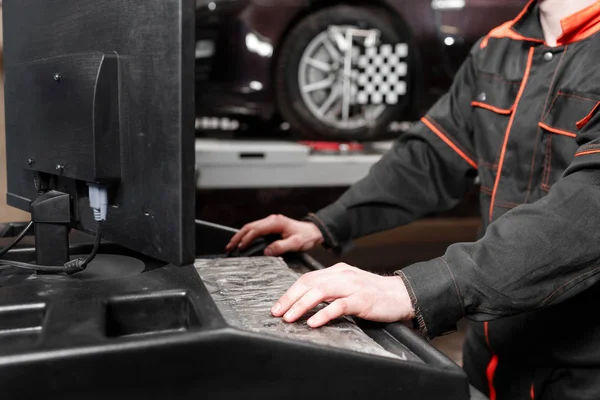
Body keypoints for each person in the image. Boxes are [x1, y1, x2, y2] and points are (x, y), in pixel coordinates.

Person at [227, 0, 600, 398]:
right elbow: (431, 155)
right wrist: (327, 222)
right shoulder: (499, 46)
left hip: (582, 375)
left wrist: (415, 289)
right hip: (490, 363)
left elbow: (587, 206)